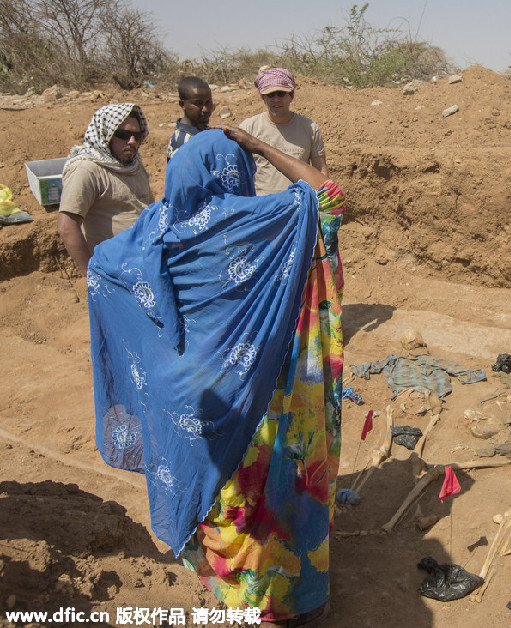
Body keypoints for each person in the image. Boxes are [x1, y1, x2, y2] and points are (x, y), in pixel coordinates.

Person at [87, 128, 345, 627]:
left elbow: (100, 269)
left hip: (187, 395)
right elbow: (329, 196)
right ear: (237, 171)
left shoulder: (152, 227)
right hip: (253, 386)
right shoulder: (259, 222)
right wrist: (263, 146)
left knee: (216, 490)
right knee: (265, 484)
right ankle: (281, 601)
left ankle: (226, 586)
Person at [57, 103, 154, 272]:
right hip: (113, 270)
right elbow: (67, 227)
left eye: (137, 136)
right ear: (106, 134)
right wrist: (92, 275)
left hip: (146, 263)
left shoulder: (133, 164)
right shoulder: (87, 169)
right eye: (123, 135)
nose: (132, 142)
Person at [240, 67, 329, 195]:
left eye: (281, 94)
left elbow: (320, 170)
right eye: (270, 95)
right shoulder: (249, 128)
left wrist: (324, 199)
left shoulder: (309, 128)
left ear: (291, 95)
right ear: (263, 97)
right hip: (262, 204)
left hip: (298, 204)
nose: (276, 99)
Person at [166, 76, 214, 160]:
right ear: (182, 104)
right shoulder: (184, 142)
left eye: (208, 102)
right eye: (198, 103)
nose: (205, 109)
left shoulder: (202, 129)